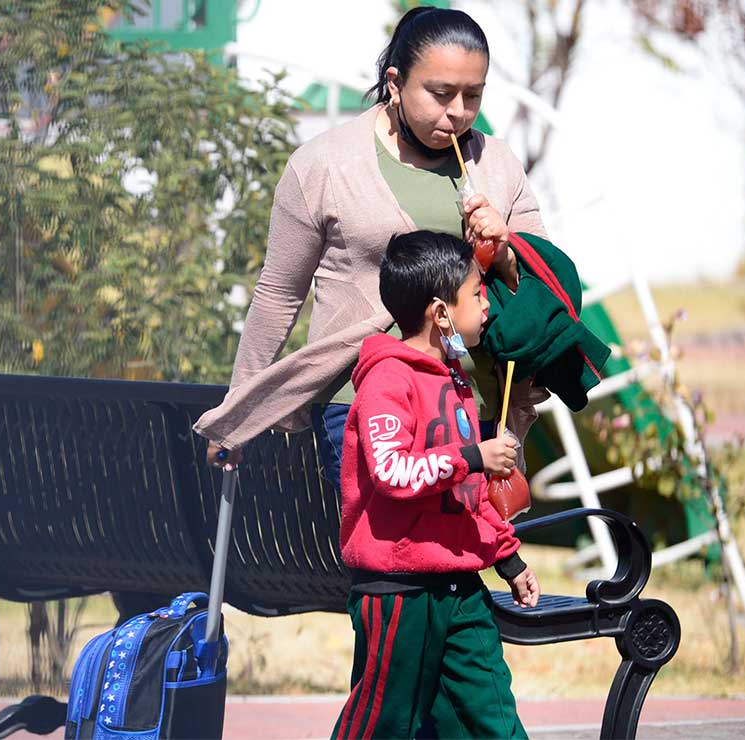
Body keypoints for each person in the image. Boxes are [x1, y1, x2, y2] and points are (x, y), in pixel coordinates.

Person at [194, 6, 548, 481]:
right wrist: (238, 413)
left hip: (471, 407)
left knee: (460, 556)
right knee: (386, 553)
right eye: (441, 94)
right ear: (396, 82)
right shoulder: (324, 165)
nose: (459, 112)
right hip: (361, 402)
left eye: (473, 95)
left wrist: (503, 251)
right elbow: (279, 294)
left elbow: (547, 288)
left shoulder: (497, 166)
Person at [333, 231, 539, 740]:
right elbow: (393, 473)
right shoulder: (388, 381)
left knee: (490, 717)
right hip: (400, 590)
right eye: (476, 292)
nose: (487, 303)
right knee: (384, 723)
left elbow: (466, 497)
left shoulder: (456, 380)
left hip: (461, 586)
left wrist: (507, 559)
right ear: (440, 312)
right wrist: (473, 456)